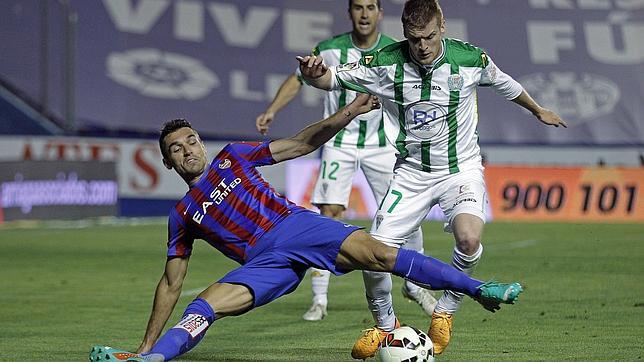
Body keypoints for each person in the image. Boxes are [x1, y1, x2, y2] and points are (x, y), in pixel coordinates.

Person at [89, 93, 523, 362]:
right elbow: (170, 283)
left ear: (201, 142)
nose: (187, 151)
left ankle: (477, 287)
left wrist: (349, 111)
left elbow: (301, 143)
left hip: (295, 227)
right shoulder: (182, 215)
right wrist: (145, 342)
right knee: (203, 305)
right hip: (265, 263)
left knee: (380, 255)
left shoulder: (234, 156)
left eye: (190, 141)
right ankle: (149, 359)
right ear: (168, 162)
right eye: (176, 150)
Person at [297, 0, 567, 357]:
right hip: (411, 173)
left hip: (460, 169)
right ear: (405, 33)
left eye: (427, 37)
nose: (421, 46)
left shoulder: (470, 59)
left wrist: (538, 110)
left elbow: (506, 84)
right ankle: (384, 326)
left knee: (469, 239)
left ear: (442, 27)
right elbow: (333, 80)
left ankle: (445, 312)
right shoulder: (386, 62)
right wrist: (315, 73)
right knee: (371, 252)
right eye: (413, 39)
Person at [256, 0, 435, 322]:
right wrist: (272, 109)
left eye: (370, 7)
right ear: (349, 13)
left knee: (404, 210)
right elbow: (298, 79)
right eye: (357, 7)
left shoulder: (396, 51)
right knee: (329, 214)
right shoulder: (329, 49)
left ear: (380, 13)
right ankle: (319, 300)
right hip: (339, 143)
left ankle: (413, 284)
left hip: (381, 146)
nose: (364, 14)